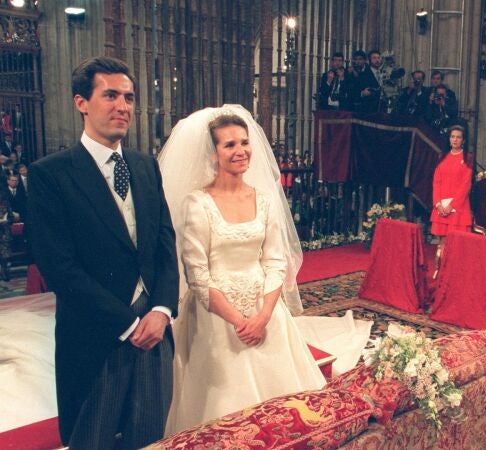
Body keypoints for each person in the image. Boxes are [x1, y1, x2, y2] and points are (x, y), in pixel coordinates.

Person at [26, 56, 178, 449]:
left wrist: (161, 310)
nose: (122, 106)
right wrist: (129, 323)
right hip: (95, 338)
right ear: (81, 102)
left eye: (128, 97)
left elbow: (165, 243)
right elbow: (59, 268)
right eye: (110, 95)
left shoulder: (146, 167)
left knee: (149, 439)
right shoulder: (50, 175)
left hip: (155, 336)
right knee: (90, 440)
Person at [159, 105, 340, 435]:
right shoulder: (197, 203)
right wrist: (239, 321)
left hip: (265, 309)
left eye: (244, 142)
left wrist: (263, 316)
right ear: (213, 154)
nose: (240, 151)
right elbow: (198, 276)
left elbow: (274, 261)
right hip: (217, 316)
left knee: (287, 409)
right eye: (229, 145)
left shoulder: (265, 200)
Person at [430, 125, 473, 243]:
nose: (455, 140)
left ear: (463, 140)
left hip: (458, 208)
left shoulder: (468, 158)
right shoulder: (442, 156)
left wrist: (452, 206)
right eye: (452, 137)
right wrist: (438, 204)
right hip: (441, 208)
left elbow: (466, 185)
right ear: (449, 139)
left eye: (458, 137)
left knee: (456, 244)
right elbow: (436, 182)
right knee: (442, 245)